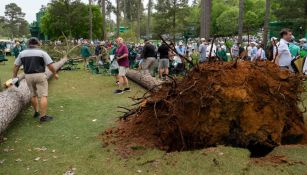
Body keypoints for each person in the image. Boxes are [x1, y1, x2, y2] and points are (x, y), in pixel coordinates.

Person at [12, 37, 59, 123]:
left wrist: (14, 77)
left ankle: (36, 112)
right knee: (43, 95)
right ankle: (43, 117)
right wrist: (55, 73)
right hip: (40, 75)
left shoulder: (22, 53)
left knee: (33, 95)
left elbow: (16, 66)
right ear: (37, 44)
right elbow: (50, 66)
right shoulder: (42, 53)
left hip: (28, 76)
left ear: (28, 44)